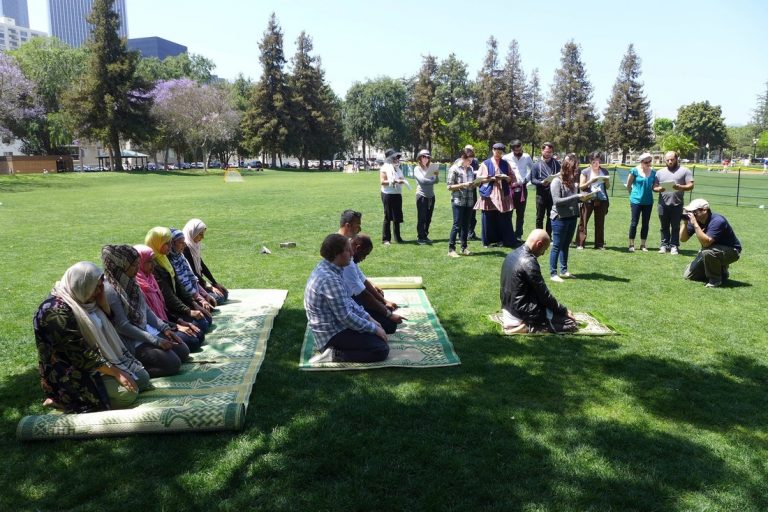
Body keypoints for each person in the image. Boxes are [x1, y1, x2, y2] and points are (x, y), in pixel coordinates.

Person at [33, 262, 148, 412]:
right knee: (127, 395)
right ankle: (62, 400)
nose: (100, 292)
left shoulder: (87, 301)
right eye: (97, 288)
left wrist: (104, 306)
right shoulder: (55, 312)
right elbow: (80, 354)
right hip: (74, 373)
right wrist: (116, 372)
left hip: (100, 363)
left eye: (101, 287)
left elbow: (108, 330)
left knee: (143, 379)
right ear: (82, 285)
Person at [101, 245, 190, 378]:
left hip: (145, 332)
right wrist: (156, 341)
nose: (137, 268)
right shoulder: (109, 290)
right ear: (121, 266)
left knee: (183, 351)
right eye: (134, 264)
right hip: (131, 341)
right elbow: (123, 326)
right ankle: (135, 371)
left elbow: (146, 310)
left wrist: (165, 328)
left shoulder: (131, 282)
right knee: (173, 364)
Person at [304, 234, 389, 362]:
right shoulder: (329, 279)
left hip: (336, 325)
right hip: (331, 333)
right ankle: (333, 354)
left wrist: (369, 319)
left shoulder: (333, 269)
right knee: (380, 350)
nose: (352, 253)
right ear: (337, 254)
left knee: (380, 332)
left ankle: (337, 350)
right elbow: (346, 317)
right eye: (348, 250)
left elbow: (348, 301)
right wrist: (374, 328)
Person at [336, 210, 403, 334]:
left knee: (377, 299)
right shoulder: (341, 249)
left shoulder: (344, 244)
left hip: (349, 299)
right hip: (345, 304)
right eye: (357, 225)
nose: (360, 229)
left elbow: (361, 279)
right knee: (389, 326)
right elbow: (362, 294)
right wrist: (387, 313)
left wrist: (383, 301)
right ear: (348, 226)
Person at [500, 229, 578, 334]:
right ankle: (527, 328)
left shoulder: (512, 254)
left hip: (508, 307)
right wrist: (563, 310)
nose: (542, 254)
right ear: (539, 244)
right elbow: (544, 295)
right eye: (544, 250)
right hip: (521, 311)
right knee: (571, 324)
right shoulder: (529, 262)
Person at [133, 244, 205, 351]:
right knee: (192, 341)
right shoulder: (139, 285)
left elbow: (164, 308)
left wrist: (180, 321)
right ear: (140, 263)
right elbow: (151, 317)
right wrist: (176, 325)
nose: (153, 264)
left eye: (154, 260)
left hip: (166, 320)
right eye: (149, 261)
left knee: (200, 331)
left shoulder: (150, 278)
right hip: (154, 328)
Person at [145, 227, 211, 333]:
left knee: (206, 320)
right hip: (170, 311)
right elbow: (168, 296)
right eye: (167, 243)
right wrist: (188, 311)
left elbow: (180, 285)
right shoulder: (155, 265)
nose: (170, 246)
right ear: (157, 243)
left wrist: (194, 304)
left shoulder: (165, 258)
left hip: (178, 305)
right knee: (200, 328)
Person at [679, 198, 741, 288]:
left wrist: (695, 225)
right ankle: (720, 270)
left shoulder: (718, 221)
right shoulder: (697, 220)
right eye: (689, 211)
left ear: (704, 210)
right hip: (711, 250)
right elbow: (683, 239)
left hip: (732, 252)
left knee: (707, 251)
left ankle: (715, 280)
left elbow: (706, 243)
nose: (691, 214)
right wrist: (684, 223)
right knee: (688, 276)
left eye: (693, 211)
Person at [549, 154, 591, 282]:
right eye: (574, 169)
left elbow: (573, 199)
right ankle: (553, 273)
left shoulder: (572, 182)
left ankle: (564, 270)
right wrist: (576, 196)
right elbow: (557, 201)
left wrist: (584, 198)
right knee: (557, 245)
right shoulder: (556, 181)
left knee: (566, 245)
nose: (576, 172)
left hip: (571, 216)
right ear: (567, 169)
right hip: (559, 218)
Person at [474, 142, 518, 248]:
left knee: (503, 219)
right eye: (496, 152)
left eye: (500, 152)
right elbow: (479, 179)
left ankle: (502, 240)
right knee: (488, 218)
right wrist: (491, 178)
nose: (498, 154)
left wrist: (507, 178)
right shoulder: (486, 163)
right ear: (493, 151)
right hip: (489, 194)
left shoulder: (505, 163)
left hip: (503, 195)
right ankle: (488, 241)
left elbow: (512, 177)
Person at [653, 151, 694, 255]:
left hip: (677, 204)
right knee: (664, 226)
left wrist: (680, 187)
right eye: (667, 160)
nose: (670, 162)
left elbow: (691, 185)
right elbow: (654, 187)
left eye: (672, 159)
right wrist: (659, 189)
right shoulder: (659, 172)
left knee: (675, 226)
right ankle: (664, 245)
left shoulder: (685, 171)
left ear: (677, 159)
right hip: (662, 204)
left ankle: (674, 246)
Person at [182, 218, 229, 303]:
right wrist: (209, 286)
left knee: (224, 293)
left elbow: (201, 265)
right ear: (192, 232)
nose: (203, 237)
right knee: (219, 298)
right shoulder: (184, 247)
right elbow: (192, 272)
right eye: (200, 234)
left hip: (200, 281)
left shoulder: (195, 245)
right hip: (193, 284)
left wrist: (215, 283)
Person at [576, 151, 610, 250]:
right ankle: (580, 243)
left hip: (602, 199)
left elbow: (607, 187)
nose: (596, 164)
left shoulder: (604, 171)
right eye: (594, 162)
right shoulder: (585, 171)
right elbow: (581, 186)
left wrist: (607, 181)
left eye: (598, 162)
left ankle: (599, 244)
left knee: (600, 223)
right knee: (583, 221)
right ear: (590, 161)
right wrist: (590, 181)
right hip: (588, 199)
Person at [447, 148, 477, 257]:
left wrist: (475, 184)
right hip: (458, 200)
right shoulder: (454, 169)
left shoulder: (471, 169)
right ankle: (451, 249)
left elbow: (471, 184)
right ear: (463, 158)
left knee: (466, 225)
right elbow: (449, 186)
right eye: (469, 160)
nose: (470, 163)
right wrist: (463, 185)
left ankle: (464, 248)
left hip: (469, 201)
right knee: (456, 225)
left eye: (471, 161)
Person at [626, 152, 658, 252]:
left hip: (648, 202)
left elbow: (654, 187)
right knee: (634, 223)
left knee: (645, 223)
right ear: (641, 162)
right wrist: (633, 196)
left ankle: (643, 245)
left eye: (650, 161)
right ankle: (631, 244)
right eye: (647, 162)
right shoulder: (634, 171)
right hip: (636, 201)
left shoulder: (653, 172)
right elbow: (628, 185)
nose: (649, 163)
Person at [503, 139, 534, 238]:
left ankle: (518, 235)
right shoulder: (506, 158)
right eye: (517, 150)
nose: (519, 152)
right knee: (508, 212)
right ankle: (508, 234)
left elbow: (533, 169)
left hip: (522, 188)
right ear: (512, 150)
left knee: (520, 213)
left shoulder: (526, 156)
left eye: (520, 149)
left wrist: (526, 179)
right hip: (510, 188)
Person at [530, 142, 561, 236]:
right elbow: (532, 179)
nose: (548, 154)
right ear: (542, 150)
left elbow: (560, 175)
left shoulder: (556, 164)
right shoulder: (536, 165)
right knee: (539, 216)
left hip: (553, 194)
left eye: (550, 152)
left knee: (551, 216)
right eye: (547, 152)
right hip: (541, 194)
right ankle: (538, 236)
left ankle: (548, 235)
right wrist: (541, 182)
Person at [380, 148, 407, 245]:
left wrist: (401, 180)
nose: (397, 159)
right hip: (388, 194)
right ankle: (386, 239)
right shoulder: (384, 168)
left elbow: (400, 178)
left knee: (397, 216)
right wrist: (394, 181)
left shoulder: (397, 168)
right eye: (395, 157)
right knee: (388, 216)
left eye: (398, 157)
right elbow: (382, 182)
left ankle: (397, 237)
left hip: (397, 194)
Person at [413, 149, 439, 244]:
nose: (426, 158)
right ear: (420, 158)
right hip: (421, 196)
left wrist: (436, 176)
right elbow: (422, 181)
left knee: (428, 217)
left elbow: (437, 181)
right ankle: (420, 237)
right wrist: (432, 180)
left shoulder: (431, 168)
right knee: (421, 218)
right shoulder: (417, 169)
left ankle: (425, 235)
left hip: (431, 196)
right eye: (424, 156)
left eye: (428, 157)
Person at [462, 145, 481, 241]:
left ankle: (471, 232)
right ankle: (462, 233)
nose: (470, 151)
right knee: (463, 212)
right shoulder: (460, 161)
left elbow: (477, 174)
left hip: (473, 189)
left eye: (471, 150)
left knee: (473, 212)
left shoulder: (475, 161)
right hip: (463, 190)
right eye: (468, 150)